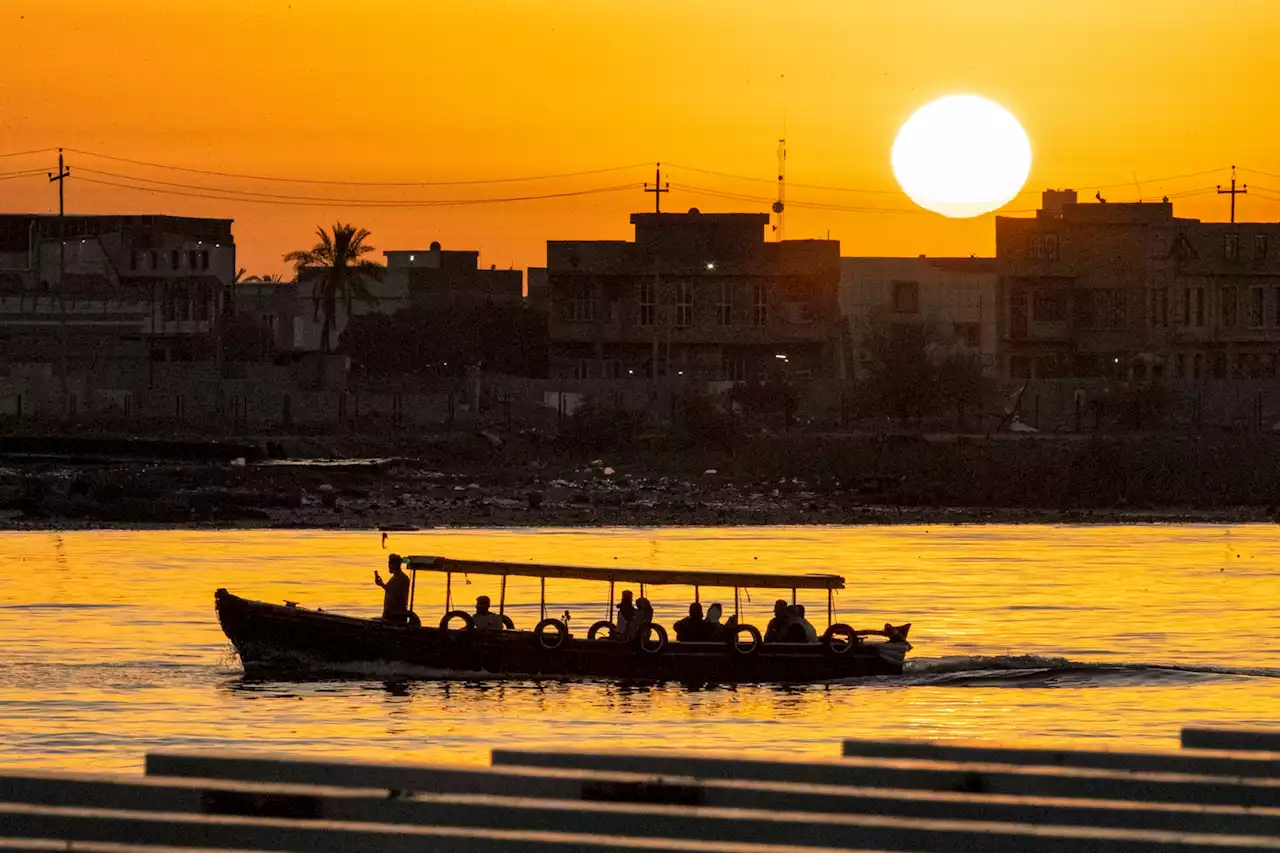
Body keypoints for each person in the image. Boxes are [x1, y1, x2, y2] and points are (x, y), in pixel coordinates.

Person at [374, 554, 411, 624]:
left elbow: (395, 595)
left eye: (390, 563)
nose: (388, 566)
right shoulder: (396, 578)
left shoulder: (402, 578)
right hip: (390, 616)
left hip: (395, 618)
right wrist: (381, 584)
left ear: (394, 564)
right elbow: (391, 591)